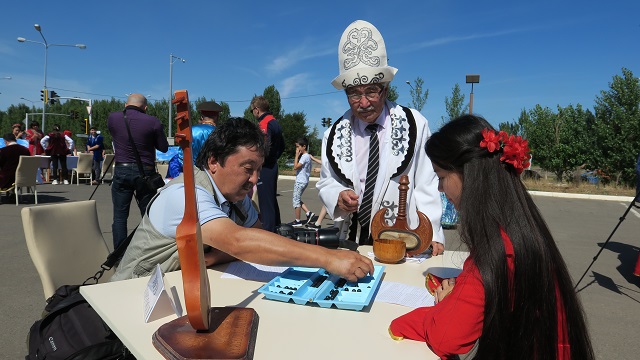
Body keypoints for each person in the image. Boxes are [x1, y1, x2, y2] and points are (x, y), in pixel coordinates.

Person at [389, 115, 595, 359]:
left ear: (470, 174)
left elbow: (447, 338)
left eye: (442, 177)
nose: (440, 189)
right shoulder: (518, 227)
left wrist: (446, 304)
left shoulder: (494, 251)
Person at [110, 117, 374, 283]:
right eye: (248, 169)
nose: (254, 179)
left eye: (258, 170)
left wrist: (213, 257)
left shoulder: (233, 195)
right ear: (213, 161)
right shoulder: (185, 195)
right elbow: (240, 241)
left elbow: (258, 238)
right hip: (130, 302)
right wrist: (328, 259)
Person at [317, 20, 444, 253]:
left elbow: (427, 182)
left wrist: (433, 233)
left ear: (385, 89)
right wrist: (338, 196)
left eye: (371, 91)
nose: (363, 103)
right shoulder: (334, 134)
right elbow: (327, 180)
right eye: (354, 94)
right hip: (350, 241)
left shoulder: (415, 124)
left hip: (403, 238)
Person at [107, 94, 169, 249]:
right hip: (145, 172)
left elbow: (115, 135)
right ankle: (147, 249)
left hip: (122, 169)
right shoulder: (152, 122)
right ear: (145, 108)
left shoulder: (113, 118)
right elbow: (163, 147)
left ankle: (119, 255)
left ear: (125, 104)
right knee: (148, 214)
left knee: (120, 217)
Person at [251, 95, 285, 232]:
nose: (252, 113)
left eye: (252, 111)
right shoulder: (274, 121)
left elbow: (264, 147)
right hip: (272, 165)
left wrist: (260, 162)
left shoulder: (264, 123)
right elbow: (282, 145)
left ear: (257, 109)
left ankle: (269, 231)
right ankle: (276, 227)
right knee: (271, 199)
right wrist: (274, 158)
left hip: (265, 167)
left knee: (265, 202)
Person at [288, 137, 323, 227]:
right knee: (297, 198)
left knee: (296, 200)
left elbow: (295, 167)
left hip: (301, 181)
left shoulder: (304, 157)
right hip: (303, 180)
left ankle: (298, 221)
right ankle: (308, 213)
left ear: (304, 146)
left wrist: (296, 155)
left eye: (298, 146)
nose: (297, 149)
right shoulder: (307, 156)